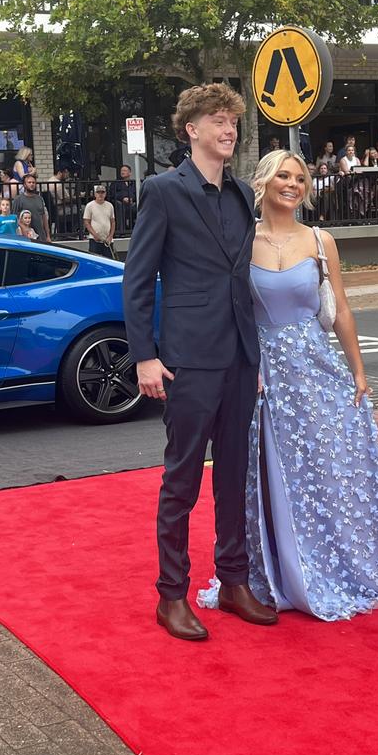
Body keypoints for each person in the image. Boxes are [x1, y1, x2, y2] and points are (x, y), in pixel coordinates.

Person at [198, 150, 378, 621]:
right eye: (283, 176)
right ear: (264, 182)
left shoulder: (321, 241)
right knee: (270, 473)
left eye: (299, 178)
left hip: (317, 368)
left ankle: (337, 564)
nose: (292, 184)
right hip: (262, 372)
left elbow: (341, 309)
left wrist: (359, 371)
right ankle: (281, 570)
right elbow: (227, 311)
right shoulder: (241, 241)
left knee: (328, 470)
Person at [122, 82, 277, 641]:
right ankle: (171, 596)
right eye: (217, 120)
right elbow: (137, 281)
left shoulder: (240, 194)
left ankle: (234, 582)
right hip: (188, 359)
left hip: (239, 356)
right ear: (191, 129)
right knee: (182, 480)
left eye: (233, 121)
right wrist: (144, 356)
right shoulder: (164, 191)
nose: (229, 129)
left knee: (235, 476)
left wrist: (255, 355)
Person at [13, 174, 51, 242]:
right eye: (29, 182)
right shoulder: (18, 199)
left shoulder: (39, 198)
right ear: (24, 185)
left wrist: (48, 235)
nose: (32, 184)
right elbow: (14, 217)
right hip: (26, 237)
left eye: (33, 182)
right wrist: (24, 228)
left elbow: (44, 217)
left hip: (41, 236)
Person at [83, 184, 116, 257]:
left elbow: (113, 222)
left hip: (107, 240)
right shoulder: (90, 205)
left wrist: (110, 236)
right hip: (94, 240)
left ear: (105, 194)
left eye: (102, 192)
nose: (100, 194)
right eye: (98, 192)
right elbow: (86, 222)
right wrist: (94, 235)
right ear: (95, 194)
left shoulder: (110, 205)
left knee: (109, 261)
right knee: (94, 261)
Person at [109, 165, 137, 233]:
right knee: (120, 206)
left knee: (138, 207)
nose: (122, 172)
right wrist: (123, 198)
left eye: (125, 171)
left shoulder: (133, 183)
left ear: (130, 173)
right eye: (121, 171)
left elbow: (137, 193)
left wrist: (131, 199)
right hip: (120, 203)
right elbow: (112, 194)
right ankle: (122, 230)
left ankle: (135, 229)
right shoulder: (116, 183)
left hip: (131, 203)